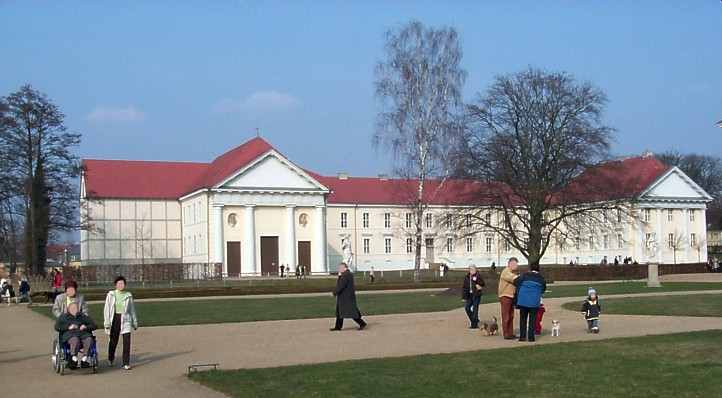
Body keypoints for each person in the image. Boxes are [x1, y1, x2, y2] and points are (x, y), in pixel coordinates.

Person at [103, 276, 138, 370]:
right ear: (115, 285)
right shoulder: (111, 294)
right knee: (113, 341)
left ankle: (126, 363)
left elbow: (132, 310)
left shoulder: (128, 295)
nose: (121, 285)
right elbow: (107, 309)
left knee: (127, 342)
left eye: (122, 283)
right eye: (119, 283)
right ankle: (111, 358)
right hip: (114, 319)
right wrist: (106, 322)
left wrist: (134, 322)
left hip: (125, 319)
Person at [514, 264, 547, 342]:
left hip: (523, 300)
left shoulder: (524, 275)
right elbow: (543, 289)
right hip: (534, 301)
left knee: (523, 319)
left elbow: (515, 282)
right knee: (532, 320)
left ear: (530, 268)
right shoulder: (541, 278)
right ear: (538, 269)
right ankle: (531, 337)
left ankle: (522, 337)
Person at [330, 263, 366, 331]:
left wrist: (334, 293)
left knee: (351, 312)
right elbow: (340, 284)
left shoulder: (345, 275)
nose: (339, 269)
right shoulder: (347, 274)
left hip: (345, 298)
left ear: (345, 268)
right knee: (339, 312)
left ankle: (362, 323)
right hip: (344, 297)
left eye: (340, 268)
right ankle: (338, 327)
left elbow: (340, 285)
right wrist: (340, 276)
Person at [497, 258, 519, 339]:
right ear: (509, 264)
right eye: (515, 264)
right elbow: (514, 278)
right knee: (506, 315)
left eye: (516, 264)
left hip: (511, 296)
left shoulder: (512, 272)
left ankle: (510, 332)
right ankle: (506, 334)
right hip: (505, 296)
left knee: (511, 315)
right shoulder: (506, 271)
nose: (516, 266)